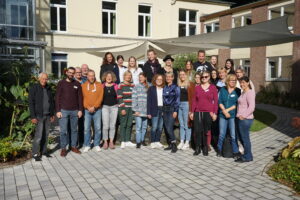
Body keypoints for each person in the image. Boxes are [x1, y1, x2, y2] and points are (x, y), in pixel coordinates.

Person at [56, 67, 83, 157]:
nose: (71, 74)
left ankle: (73, 146)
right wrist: (58, 110)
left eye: (73, 73)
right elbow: (57, 97)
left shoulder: (77, 84)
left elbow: (80, 98)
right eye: (70, 72)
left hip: (74, 111)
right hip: (63, 110)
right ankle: (63, 148)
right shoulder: (61, 83)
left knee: (74, 130)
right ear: (66, 72)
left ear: (74, 74)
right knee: (63, 131)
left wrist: (80, 110)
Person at [190, 71, 218, 156]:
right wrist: (192, 112)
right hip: (198, 111)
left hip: (208, 112)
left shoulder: (213, 87)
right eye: (202, 77)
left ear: (209, 77)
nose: (204, 78)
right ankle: (198, 147)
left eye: (206, 77)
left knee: (206, 130)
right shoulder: (197, 88)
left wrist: (214, 113)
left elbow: (216, 102)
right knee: (197, 130)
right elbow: (194, 100)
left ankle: (205, 147)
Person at [29, 73, 55, 161]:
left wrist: (52, 114)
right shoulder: (34, 88)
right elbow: (31, 103)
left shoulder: (48, 88)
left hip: (48, 115)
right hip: (38, 116)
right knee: (38, 136)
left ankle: (44, 151)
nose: (44, 81)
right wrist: (33, 116)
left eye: (46, 79)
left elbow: (51, 102)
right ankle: (35, 153)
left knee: (46, 135)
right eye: (43, 79)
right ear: (39, 79)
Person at [217, 74, 241, 158]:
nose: (233, 82)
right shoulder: (223, 90)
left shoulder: (237, 90)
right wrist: (224, 111)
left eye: (234, 80)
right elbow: (219, 101)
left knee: (233, 135)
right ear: (227, 81)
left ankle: (235, 151)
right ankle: (219, 150)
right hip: (222, 115)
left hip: (232, 115)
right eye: (231, 80)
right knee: (221, 134)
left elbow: (237, 103)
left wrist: (228, 110)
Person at [81, 70, 104, 153]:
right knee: (87, 128)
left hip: (97, 110)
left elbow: (100, 97)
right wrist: (88, 107)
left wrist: (94, 107)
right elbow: (83, 98)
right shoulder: (83, 86)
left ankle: (96, 144)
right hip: (87, 110)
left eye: (93, 75)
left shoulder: (99, 85)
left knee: (97, 128)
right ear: (87, 76)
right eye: (90, 75)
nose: (92, 77)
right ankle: (87, 145)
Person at [235, 76, 255, 163]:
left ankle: (248, 157)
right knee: (242, 137)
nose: (241, 84)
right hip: (241, 118)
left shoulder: (250, 93)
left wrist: (243, 116)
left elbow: (252, 107)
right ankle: (247, 154)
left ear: (247, 83)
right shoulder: (243, 92)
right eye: (240, 82)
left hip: (246, 119)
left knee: (245, 138)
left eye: (243, 82)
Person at [118, 71, 136, 148]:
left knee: (129, 124)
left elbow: (135, 96)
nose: (128, 77)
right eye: (127, 75)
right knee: (123, 124)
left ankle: (127, 140)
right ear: (124, 76)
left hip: (131, 108)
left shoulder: (133, 85)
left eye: (130, 75)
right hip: (124, 107)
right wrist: (122, 108)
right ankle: (122, 141)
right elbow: (119, 97)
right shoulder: (120, 85)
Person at [163, 72, 180, 153]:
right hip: (165, 109)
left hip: (172, 109)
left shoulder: (176, 87)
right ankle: (170, 144)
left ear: (173, 78)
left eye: (170, 77)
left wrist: (175, 111)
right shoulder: (165, 87)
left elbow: (177, 99)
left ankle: (174, 145)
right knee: (166, 128)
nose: (168, 78)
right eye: (167, 77)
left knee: (170, 128)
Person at [101, 71, 119, 150]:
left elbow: (119, 96)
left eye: (110, 76)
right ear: (105, 77)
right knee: (105, 126)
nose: (109, 78)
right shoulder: (102, 86)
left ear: (113, 78)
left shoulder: (116, 86)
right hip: (105, 107)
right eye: (107, 76)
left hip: (114, 107)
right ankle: (105, 141)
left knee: (112, 125)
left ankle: (111, 141)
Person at [147, 74, 165, 149]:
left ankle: (157, 141)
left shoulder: (165, 88)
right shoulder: (151, 88)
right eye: (158, 79)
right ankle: (152, 142)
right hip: (154, 109)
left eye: (161, 79)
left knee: (160, 127)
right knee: (154, 126)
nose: (159, 80)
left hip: (163, 109)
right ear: (155, 80)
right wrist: (148, 112)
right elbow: (149, 101)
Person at [132, 73, 149, 148]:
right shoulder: (136, 87)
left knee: (144, 127)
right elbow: (134, 99)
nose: (140, 79)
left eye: (142, 77)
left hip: (146, 111)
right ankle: (138, 142)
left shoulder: (149, 87)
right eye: (139, 77)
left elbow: (150, 100)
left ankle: (142, 140)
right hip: (138, 111)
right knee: (138, 127)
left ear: (145, 78)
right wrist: (135, 110)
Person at [177, 70, 192, 150]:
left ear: (186, 75)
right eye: (180, 74)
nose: (182, 76)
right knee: (181, 124)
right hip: (179, 104)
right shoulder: (178, 85)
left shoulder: (189, 84)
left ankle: (187, 141)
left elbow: (192, 97)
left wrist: (191, 109)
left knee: (187, 124)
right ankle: (182, 141)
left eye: (183, 74)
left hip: (186, 105)